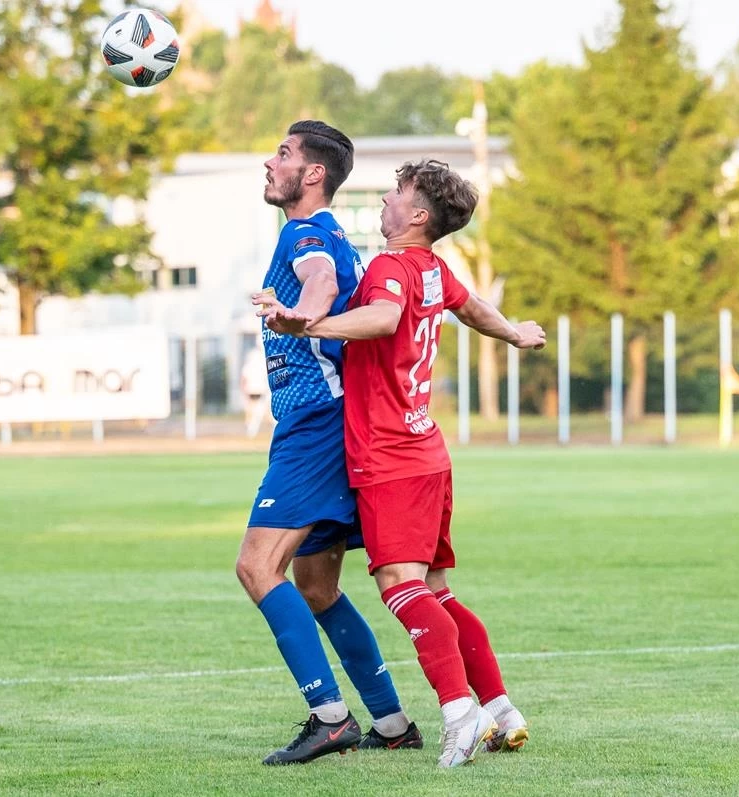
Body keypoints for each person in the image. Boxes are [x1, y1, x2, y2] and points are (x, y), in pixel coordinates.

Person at [258, 159, 545, 768]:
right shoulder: (433, 269)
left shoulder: (392, 267)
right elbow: (473, 309)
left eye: (396, 192)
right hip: (427, 450)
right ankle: (501, 710)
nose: (386, 199)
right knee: (436, 590)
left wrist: (309, 325)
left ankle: (458, 715)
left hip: (390, 454)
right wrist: (515, 333)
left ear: (417, 215)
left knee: (400, 586)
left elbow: (384, 318)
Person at [235, 121, 421, 766]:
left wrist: (302, 314)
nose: (270, 161)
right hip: (335, 424)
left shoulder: (307, 234)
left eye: (283, 153)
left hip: (316, 425)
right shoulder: (333, 234)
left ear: (313, 174)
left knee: (257, 568)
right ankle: (392, 723)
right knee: (316, 586)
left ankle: (330, 717)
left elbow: (318, 281)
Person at [239, 343, 271, 438]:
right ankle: (253, 429)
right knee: (259, 411)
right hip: (260, 390)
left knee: (253, 411)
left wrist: (243, 390)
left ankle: (251, 429)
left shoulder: (249, 366)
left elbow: (243, 379)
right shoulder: (261, 365)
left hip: (253, 390)